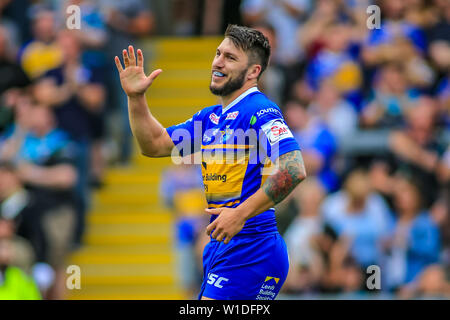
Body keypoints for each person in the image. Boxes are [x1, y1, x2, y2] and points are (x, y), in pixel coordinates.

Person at [115, 24, 306, 300]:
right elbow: (153, 144)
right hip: (227, 248)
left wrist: (238, 214)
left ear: (253, 72)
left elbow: (294, 168)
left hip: (252, 247)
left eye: (230, 57)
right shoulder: (210, 119)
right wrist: (136, 98)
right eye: (218, 53)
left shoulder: (259, 110)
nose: (217, 61)